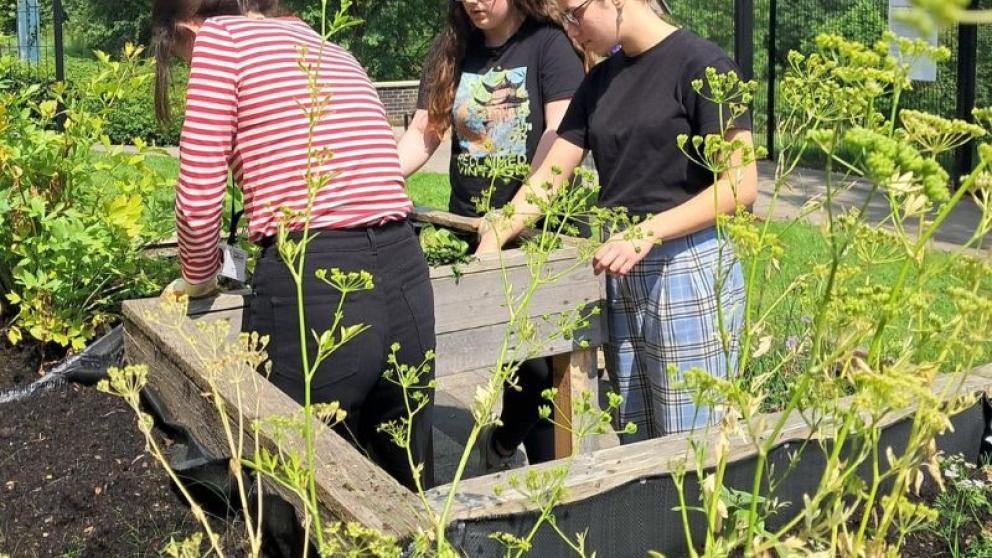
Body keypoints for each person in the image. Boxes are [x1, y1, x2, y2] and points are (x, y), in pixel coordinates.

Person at [152, 0, 436, 489]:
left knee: (291, 485)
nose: (188, 67)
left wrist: (198, 277)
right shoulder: (331, 48)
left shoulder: (220, 39)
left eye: (180, 57)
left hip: (316, 273)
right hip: (405, 267)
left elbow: (198, 197)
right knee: (404, 483)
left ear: (186, 30)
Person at [477, 0, 758, 443]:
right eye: (563, 20)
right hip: (621, 266)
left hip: (687, 266)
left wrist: (648, 231)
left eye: (575, 13)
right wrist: (500, 228)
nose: (571, 31)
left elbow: (740, 186)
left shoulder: (703, 64)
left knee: (694, 445)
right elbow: (550, 177)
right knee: (635, 437)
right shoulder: (600, 82)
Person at [397, 0, 584, 470]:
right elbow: (426, 128)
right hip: (469, 228)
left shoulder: (549, 46)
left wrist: (516, 214)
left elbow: (561, 135)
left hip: (541, 232)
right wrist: (372, 179)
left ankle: (517, 460)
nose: (476, 1)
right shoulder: (453, 49)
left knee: (539, 370)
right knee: (487, 355)